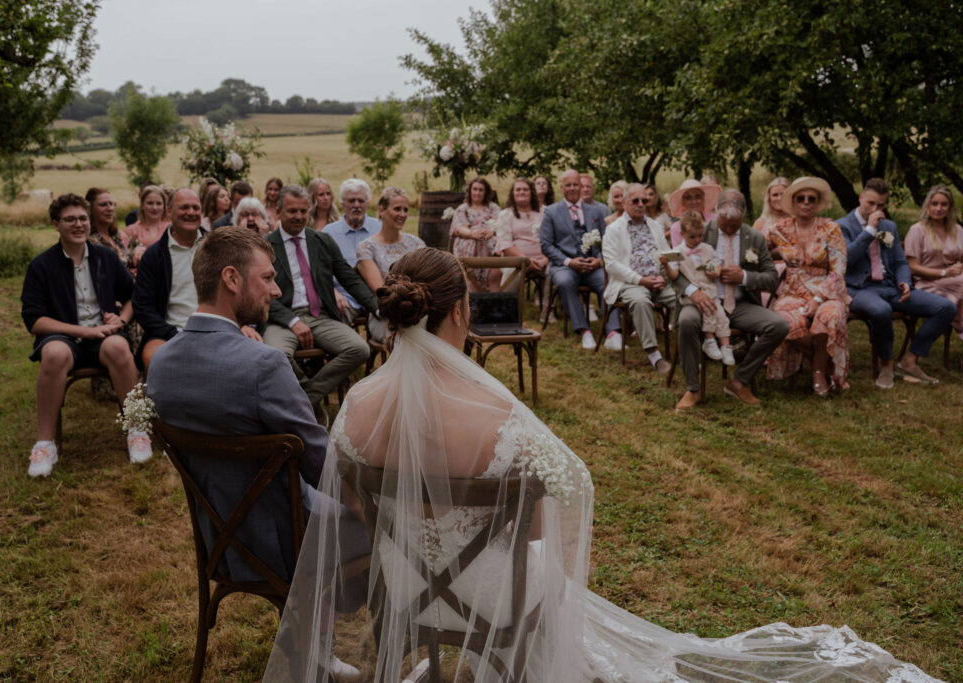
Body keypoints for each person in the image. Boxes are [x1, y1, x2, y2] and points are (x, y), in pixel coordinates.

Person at [263, 247, 938, 683]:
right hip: (495, 592)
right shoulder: (500, 419)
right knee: (548, 587)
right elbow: (542, 523)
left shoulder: (353, 406)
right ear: (461, 311)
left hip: (401, 583)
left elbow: (355, 506)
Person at [146, 226, 367, 680]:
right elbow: (318, 458)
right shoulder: (263, 362)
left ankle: (317, 649)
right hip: (282, 543)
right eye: (267, 278)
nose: (277, 289)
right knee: (385, 526)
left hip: (219, 541)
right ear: (231, 278)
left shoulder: (162, 362)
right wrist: (367, 502)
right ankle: (380, 651)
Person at [21, 193, 150, 477]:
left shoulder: (105, 257)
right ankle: (45, 443)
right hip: (64, 337)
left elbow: (133, 296)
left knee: (118, 348)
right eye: (69, 219)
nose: (78, 224)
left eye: (82, 218)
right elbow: (34, 320)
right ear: (56, 224)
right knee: (53, 354)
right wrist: (84, 331)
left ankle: (137, 430)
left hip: (105, 336)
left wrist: (121, 320)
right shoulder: (41, 265)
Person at [262, 185, 375, 405]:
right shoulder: (265, 246)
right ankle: (307, 399)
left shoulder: (321, 241)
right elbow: (260, 294)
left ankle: (305, 399)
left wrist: (378, 307)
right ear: (279, 212)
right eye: (292, 211)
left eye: (303, 211)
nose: (299, 216)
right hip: (281, 318)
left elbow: (349, 279)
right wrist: (292, 320)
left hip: (320, 316)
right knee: (276, 355)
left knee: (359, 349)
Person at [837, 178, 956, 387]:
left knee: (945, 307)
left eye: (881, 205)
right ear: (861, 198)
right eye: (871, 203)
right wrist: (869, 231)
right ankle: (886, 365)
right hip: (859, 289)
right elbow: (846, 260)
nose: (876, 209)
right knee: (881, 310)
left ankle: (910, 360)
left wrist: (904, 282)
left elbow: (901, 261)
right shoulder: (841, 226)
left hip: (890, 286)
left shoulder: (889, 226)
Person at [673, 190, 785, 410]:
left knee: (778, 326)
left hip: (739, 304)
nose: (729, 229)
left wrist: (743, 276)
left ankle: (738, 381)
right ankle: (693, 389)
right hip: (703, 302)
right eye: (724, 224)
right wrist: (693, 292)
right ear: (716, 214)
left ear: (744, 216)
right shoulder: (700, 231)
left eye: (735, 225)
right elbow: (669, 265)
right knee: (687, 321)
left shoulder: (754, 237)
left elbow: (771, 277)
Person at [133, 188, 261, 370]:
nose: (191, 213)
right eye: (184, 207)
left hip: (218, 330)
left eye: (195, 208)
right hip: (170, 333)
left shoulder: (218, 249)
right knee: (154, 357)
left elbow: (240, 290)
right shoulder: (154, 256)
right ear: (169, 212)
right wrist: (174, 333)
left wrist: (243, 324)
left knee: (257, 355)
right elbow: (142, 306)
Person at [764, 177, 851, 396]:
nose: (805, 203)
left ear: (817, 203)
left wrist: (817, 299)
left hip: (827, 292)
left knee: (828, 316)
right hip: (793, 291)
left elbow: (838, 271)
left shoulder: (831, 229)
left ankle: (818, 373)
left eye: (811, 199)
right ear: (793, 203)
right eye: (800, 199)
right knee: (783, 323)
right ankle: (821, 360)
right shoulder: (779, 229)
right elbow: (753, 250)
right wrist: (776, 253)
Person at [541, 169, 620, 349]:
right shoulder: (551, 212)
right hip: (565, 266)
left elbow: (606, 240)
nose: (572, 188)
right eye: (568, 185)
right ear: (561, 187)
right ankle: (584, 330)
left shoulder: (595, 211)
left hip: (593, 265)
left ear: (581, 186)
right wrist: (569, 262)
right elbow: (546, 245)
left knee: (608, 280)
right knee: (565, 281)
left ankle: (613, 332)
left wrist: (599, 260)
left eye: (575, 184)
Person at [603, 183, 674, 367]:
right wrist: (641, 280)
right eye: (635, 201)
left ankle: (689, 346)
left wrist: (663, 275)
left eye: (645, 200)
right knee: (641, 301)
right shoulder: (614, 229)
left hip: (658, 281)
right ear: (625, 202)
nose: (641, 204)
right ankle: (654, 355)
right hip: (630, 283)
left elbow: (667, 254)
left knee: (683, 298)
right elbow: (611, 265)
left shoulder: (654, 226)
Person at [663, 211, 734, 365]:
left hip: (709, 289)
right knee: (709, 309)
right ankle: (709, 340)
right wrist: (666, 265)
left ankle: (726, 346)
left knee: (721, 315)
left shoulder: (707, 248)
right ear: (682, 234)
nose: (697, 240)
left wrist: (714, 271)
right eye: (692, 237)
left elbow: (715, 269)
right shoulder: (675, 253)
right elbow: (674, 276)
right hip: (692, 294)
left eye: (700, 235)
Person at [355, 187, 425, 342]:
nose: (403, 215)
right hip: (386, 316)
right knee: (409, 341)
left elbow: (425, 281)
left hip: (417, 313)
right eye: (397, 209)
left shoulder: (417, 244)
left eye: (406, 210)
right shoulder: (366, 248)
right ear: (381, 210)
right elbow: (381, 291)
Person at [905, 185, 963, 345]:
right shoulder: (917, 230)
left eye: (944, 204)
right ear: (928, 206)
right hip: (926, 284)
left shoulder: (958, 230)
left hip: (955, 282)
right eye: (934, 204)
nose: (939, 208)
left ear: (950, 207)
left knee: (958, 294)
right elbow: (912, 267)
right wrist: (944, 273)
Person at [322, 178, 381, 322]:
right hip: (345, 297)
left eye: (361, 201)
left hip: (377, 295)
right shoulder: (329, 233)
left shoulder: (380, 228)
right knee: (333, 318)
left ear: (367, 204)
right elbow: (321, 271)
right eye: (351, 201)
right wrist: (333, 293)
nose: (357, 205)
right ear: (342, 204)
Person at [450, 175, 501, 292]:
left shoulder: (493, 207)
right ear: (470, 191)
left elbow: (500, 223)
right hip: (468, 244)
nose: (477, 192)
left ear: (486, 192)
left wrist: (491, 231)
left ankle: (494, 298)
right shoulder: (463, 208)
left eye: (481, 190)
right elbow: (459, 228)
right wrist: (473, 234)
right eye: (475, 189)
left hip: (490, 245)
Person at [85, 187, 137, 271]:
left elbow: (139, 246)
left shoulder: (117, 235)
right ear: (90, 209)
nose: (110, 209)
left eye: (111, 204)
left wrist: (138, 252)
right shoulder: (89, 241)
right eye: (103, 205)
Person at [668, 178, 721, 247]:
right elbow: (678, 256)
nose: (694, 201)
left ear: (703, 199)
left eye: (697, 196)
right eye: (688, 198)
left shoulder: (715, 220)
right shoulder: (676, 228)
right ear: (683, 202)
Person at [123, 184, 170, 255]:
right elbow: (123, 258)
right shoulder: (131, 231)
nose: (155, 207)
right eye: (150, 203)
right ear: (142, 205)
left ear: (164, 206)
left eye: (159, 203)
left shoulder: (172, 229)